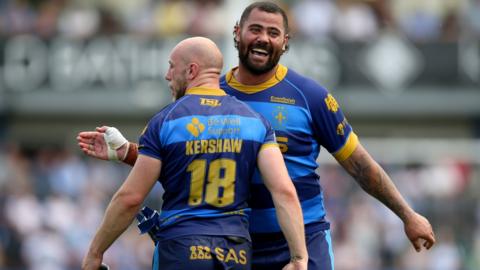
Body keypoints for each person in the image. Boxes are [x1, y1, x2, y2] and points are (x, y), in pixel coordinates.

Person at [78, 2, 436, 269]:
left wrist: (407, 214)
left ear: (286, 42)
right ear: (237, 32)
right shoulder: (207, 92)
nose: (263, 38)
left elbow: (360, 166)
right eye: (255, 29)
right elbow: (175, 158)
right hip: (236, 243)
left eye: (273, 32)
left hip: (302, 238)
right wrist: (127, 152)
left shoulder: (309, 97)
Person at [80, 36, 308, 270]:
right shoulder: (256, 122)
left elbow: (131, 198)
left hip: (181, 247)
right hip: (235, 252)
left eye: (171, 66)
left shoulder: (165, 121)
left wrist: (95, 252)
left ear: (191, 70)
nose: (167, 75)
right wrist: (299, 258)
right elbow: (284, 191)